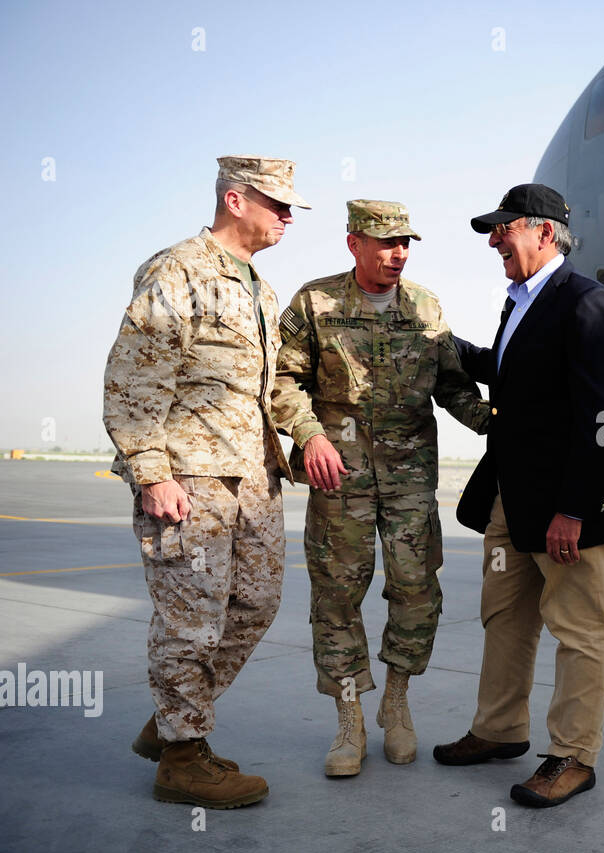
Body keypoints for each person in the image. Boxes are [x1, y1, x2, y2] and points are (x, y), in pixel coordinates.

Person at [432, 183, 604, 809]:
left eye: (504, 228)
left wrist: (577, 509)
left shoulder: (586, 302)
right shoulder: (520, 303)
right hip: (512, 495)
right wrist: (441, 343)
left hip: (567, 502)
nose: (493, 240)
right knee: (505, 618)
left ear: (544, 233)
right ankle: (499, 729)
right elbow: (513, 378)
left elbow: (603, 415)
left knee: (580, 631)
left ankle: (573, 757)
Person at [104, 155, 309, 808]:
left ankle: (174, 718)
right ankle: (183, 757)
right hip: (191, 479)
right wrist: (151, 471)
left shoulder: (261, 290)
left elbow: (267, 388)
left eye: (290, 206)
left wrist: (307, 438)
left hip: (254, 481)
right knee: (189, 622)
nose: (287, 216)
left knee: (255, 605)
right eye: (277, 203)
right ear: (234, 199)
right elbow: (134, 373)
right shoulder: (180, 268)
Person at [273, 200, 490, 776]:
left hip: (410, 475)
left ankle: (396, 703)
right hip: (338, 473)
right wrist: (310, 435)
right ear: (354, 244)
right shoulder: (315, 302)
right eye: (386, 243)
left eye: (406, 244)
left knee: (416, 589)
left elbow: (453, 386)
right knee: (338, 594)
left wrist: (499, 423)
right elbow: (282, 381)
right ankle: (348, 720)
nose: (398, 254)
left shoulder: (425, 306)